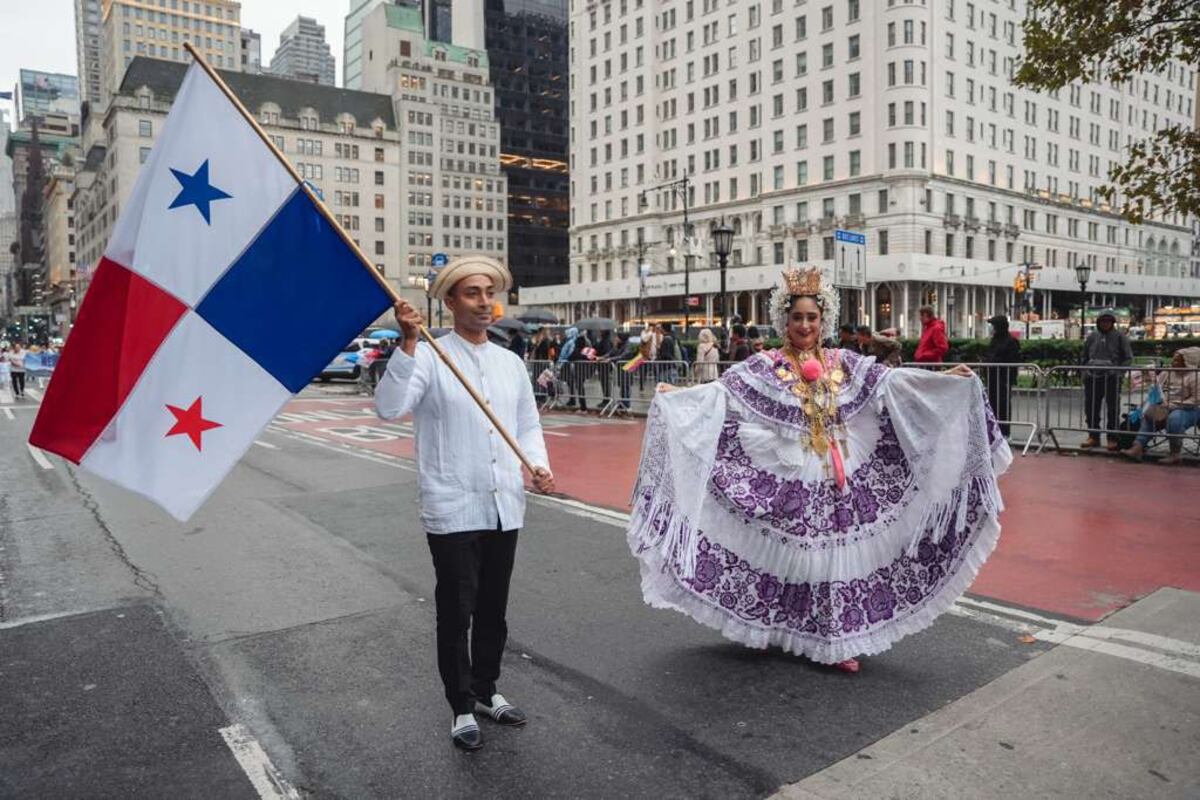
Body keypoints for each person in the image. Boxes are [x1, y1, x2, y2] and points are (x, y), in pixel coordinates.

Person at [627, 267, 1009, 674]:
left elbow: (891, 383)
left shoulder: (843, 362)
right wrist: (679, 397)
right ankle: (767, 626)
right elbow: (722, 393)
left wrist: (945, 379)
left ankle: (833, 641)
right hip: (787, 471)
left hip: (839, 474)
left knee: (830, 561)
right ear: (784, 321)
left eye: (812, 318)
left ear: (822, 320)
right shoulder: (766, 365)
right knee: (787, 558)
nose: (805, 325)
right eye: (797, 318)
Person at [375, 255, 555, 752]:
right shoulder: (431, 355)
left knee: (494, 608)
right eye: (471, 293)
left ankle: (487, 689)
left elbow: (527, 427)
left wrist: (538, 466)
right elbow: (389, 408)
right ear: (450, 301)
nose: (482, 302)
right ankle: (460, 705)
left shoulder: (510, 362)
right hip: (452, 504)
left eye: (487, 293)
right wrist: (409, 344)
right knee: (457, 610)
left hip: (504, 504)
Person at [1121, 347, 1199, 465]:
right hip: (1164, 405)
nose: (1173, 362)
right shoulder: (1167, 373)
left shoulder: (1195, 376)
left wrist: (1172, 405)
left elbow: (1197, 399)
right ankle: (1137, 448)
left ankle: (1175, 454)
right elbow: (1156, 389)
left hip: (1188, 408)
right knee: (1149, 415)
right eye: (1173, 359)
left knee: (1175, 419)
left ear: (1188, 362)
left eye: (1177, 361)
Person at [1081, 309, 1133, 451]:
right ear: (1098, 322)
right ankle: (1093, 436)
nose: (1105, 324)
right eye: (1103, 321)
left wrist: (1119, 373)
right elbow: (1084, 356)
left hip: (1112, 378)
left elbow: (1128, 358)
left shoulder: (1119, 336)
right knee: (1091, 408)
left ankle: (1112, 437)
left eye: (1108, 321)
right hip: (1092, 378)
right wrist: (1085, 371)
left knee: (1112, 409)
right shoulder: (1092, 336)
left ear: (1112, 322)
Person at [982, 315, 1022, 438]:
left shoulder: (1011, 342)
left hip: (1003, 378)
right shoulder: (994, 340)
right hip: (992, 377)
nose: (992, 328)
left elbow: (1012, 360)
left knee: (1003, 404)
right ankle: (993, 430)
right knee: (992, 404)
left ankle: (1004, 431)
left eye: (993, 325)